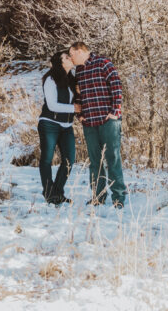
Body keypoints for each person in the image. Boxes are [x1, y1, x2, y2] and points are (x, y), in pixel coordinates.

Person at [68, 42, 126, 207]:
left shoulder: (103, 63)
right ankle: (98, 197)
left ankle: (118, 198)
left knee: (112, 158)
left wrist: (115, 111)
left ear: (80, 51)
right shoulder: (79, 70)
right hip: (90, 122)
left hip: (108, 121)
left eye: (72, 54)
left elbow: (116, 86)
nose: (71, 58)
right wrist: (79, 115)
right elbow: (78, 95)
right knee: (95, 162)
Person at [38, 49, 77, 205]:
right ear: (60, 62)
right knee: (47, 159)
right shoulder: (50, 79)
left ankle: (58, 192)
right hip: (49, 123)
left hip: (67, 126)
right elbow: (52, 105)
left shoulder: (71, 80)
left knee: (69, 159)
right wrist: (74, 109)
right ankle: (49, 193)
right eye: (66, 57)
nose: (70, 58)